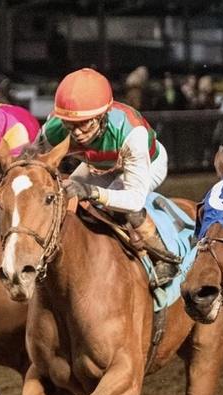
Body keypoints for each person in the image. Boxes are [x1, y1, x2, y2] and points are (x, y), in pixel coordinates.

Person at [34, 67, 179, 285]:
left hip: (148, 164)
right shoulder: (54, 127)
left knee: (119, 206)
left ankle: (163, 257)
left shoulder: (133, 133)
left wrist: (91, 192)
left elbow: (134, 199)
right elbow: (32, 166)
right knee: (63, 196)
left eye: (84, 123)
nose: (76, 132)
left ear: (103, 116)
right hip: (98, 165)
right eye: (69, 124)